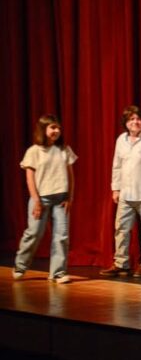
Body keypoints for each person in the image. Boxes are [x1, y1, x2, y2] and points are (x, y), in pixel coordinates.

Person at [13, 115, 77, 284]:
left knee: (61, 236)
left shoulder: (64, 149)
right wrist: (36, 201)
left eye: (58, 128)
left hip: (61, 199)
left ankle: (57, 272)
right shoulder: (34, 151)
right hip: (41, 199)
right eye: (52, 128)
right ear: (43, 129)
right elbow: (30, 179)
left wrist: (70, 197)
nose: (56, 131)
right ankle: (20, 265)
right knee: (33, 233)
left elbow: (71, 176)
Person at [101, 106, 141, 277]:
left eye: (138, 118)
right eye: (131, 119)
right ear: (126, 123)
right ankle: (121, 263)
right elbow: (116, 166)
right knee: (121, 228)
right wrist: (115, 188)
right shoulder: (121, 139)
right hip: (126, 193)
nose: (135, 122)